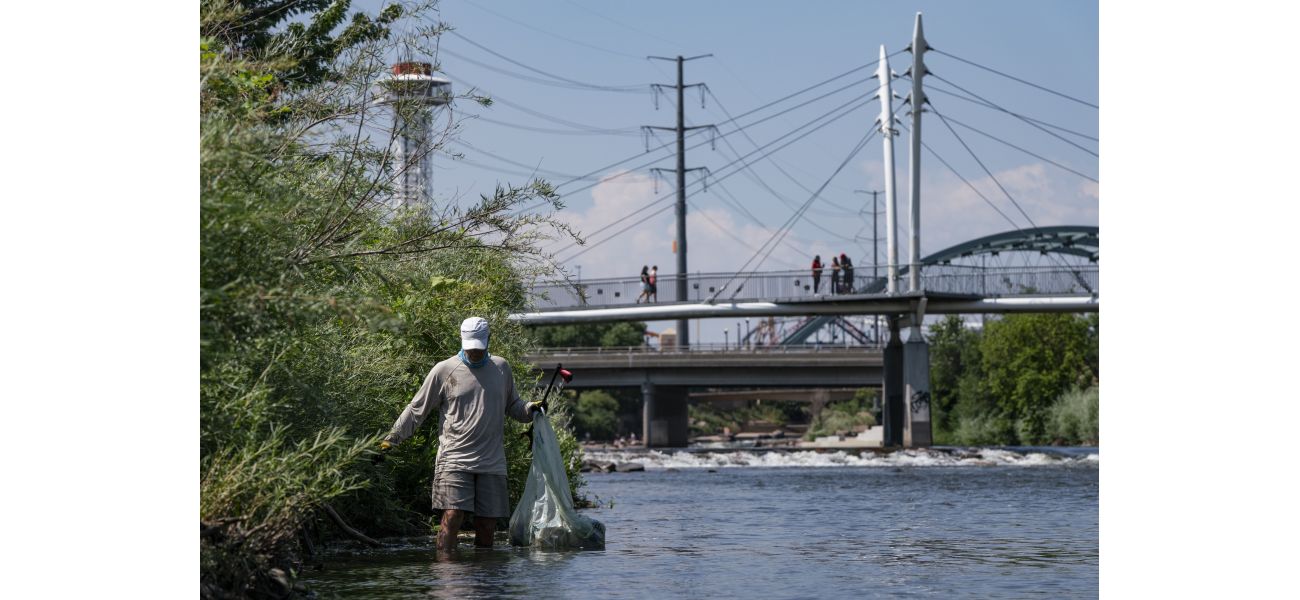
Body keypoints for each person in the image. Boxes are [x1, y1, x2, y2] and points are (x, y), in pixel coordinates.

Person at [378, 317, 546, 552]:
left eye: (478, 347)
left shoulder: (501, 368)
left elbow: (513, 405)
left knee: (487, 525)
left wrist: (531, 409)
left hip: (492, 461)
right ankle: (448, 579)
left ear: (489, 341)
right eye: (470, 348)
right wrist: (391, 440)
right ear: (462, 341)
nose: (474, 353)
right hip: (454, 459)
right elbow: (417, 409)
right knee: (453, 515)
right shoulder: (443, 370)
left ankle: (485, 580)